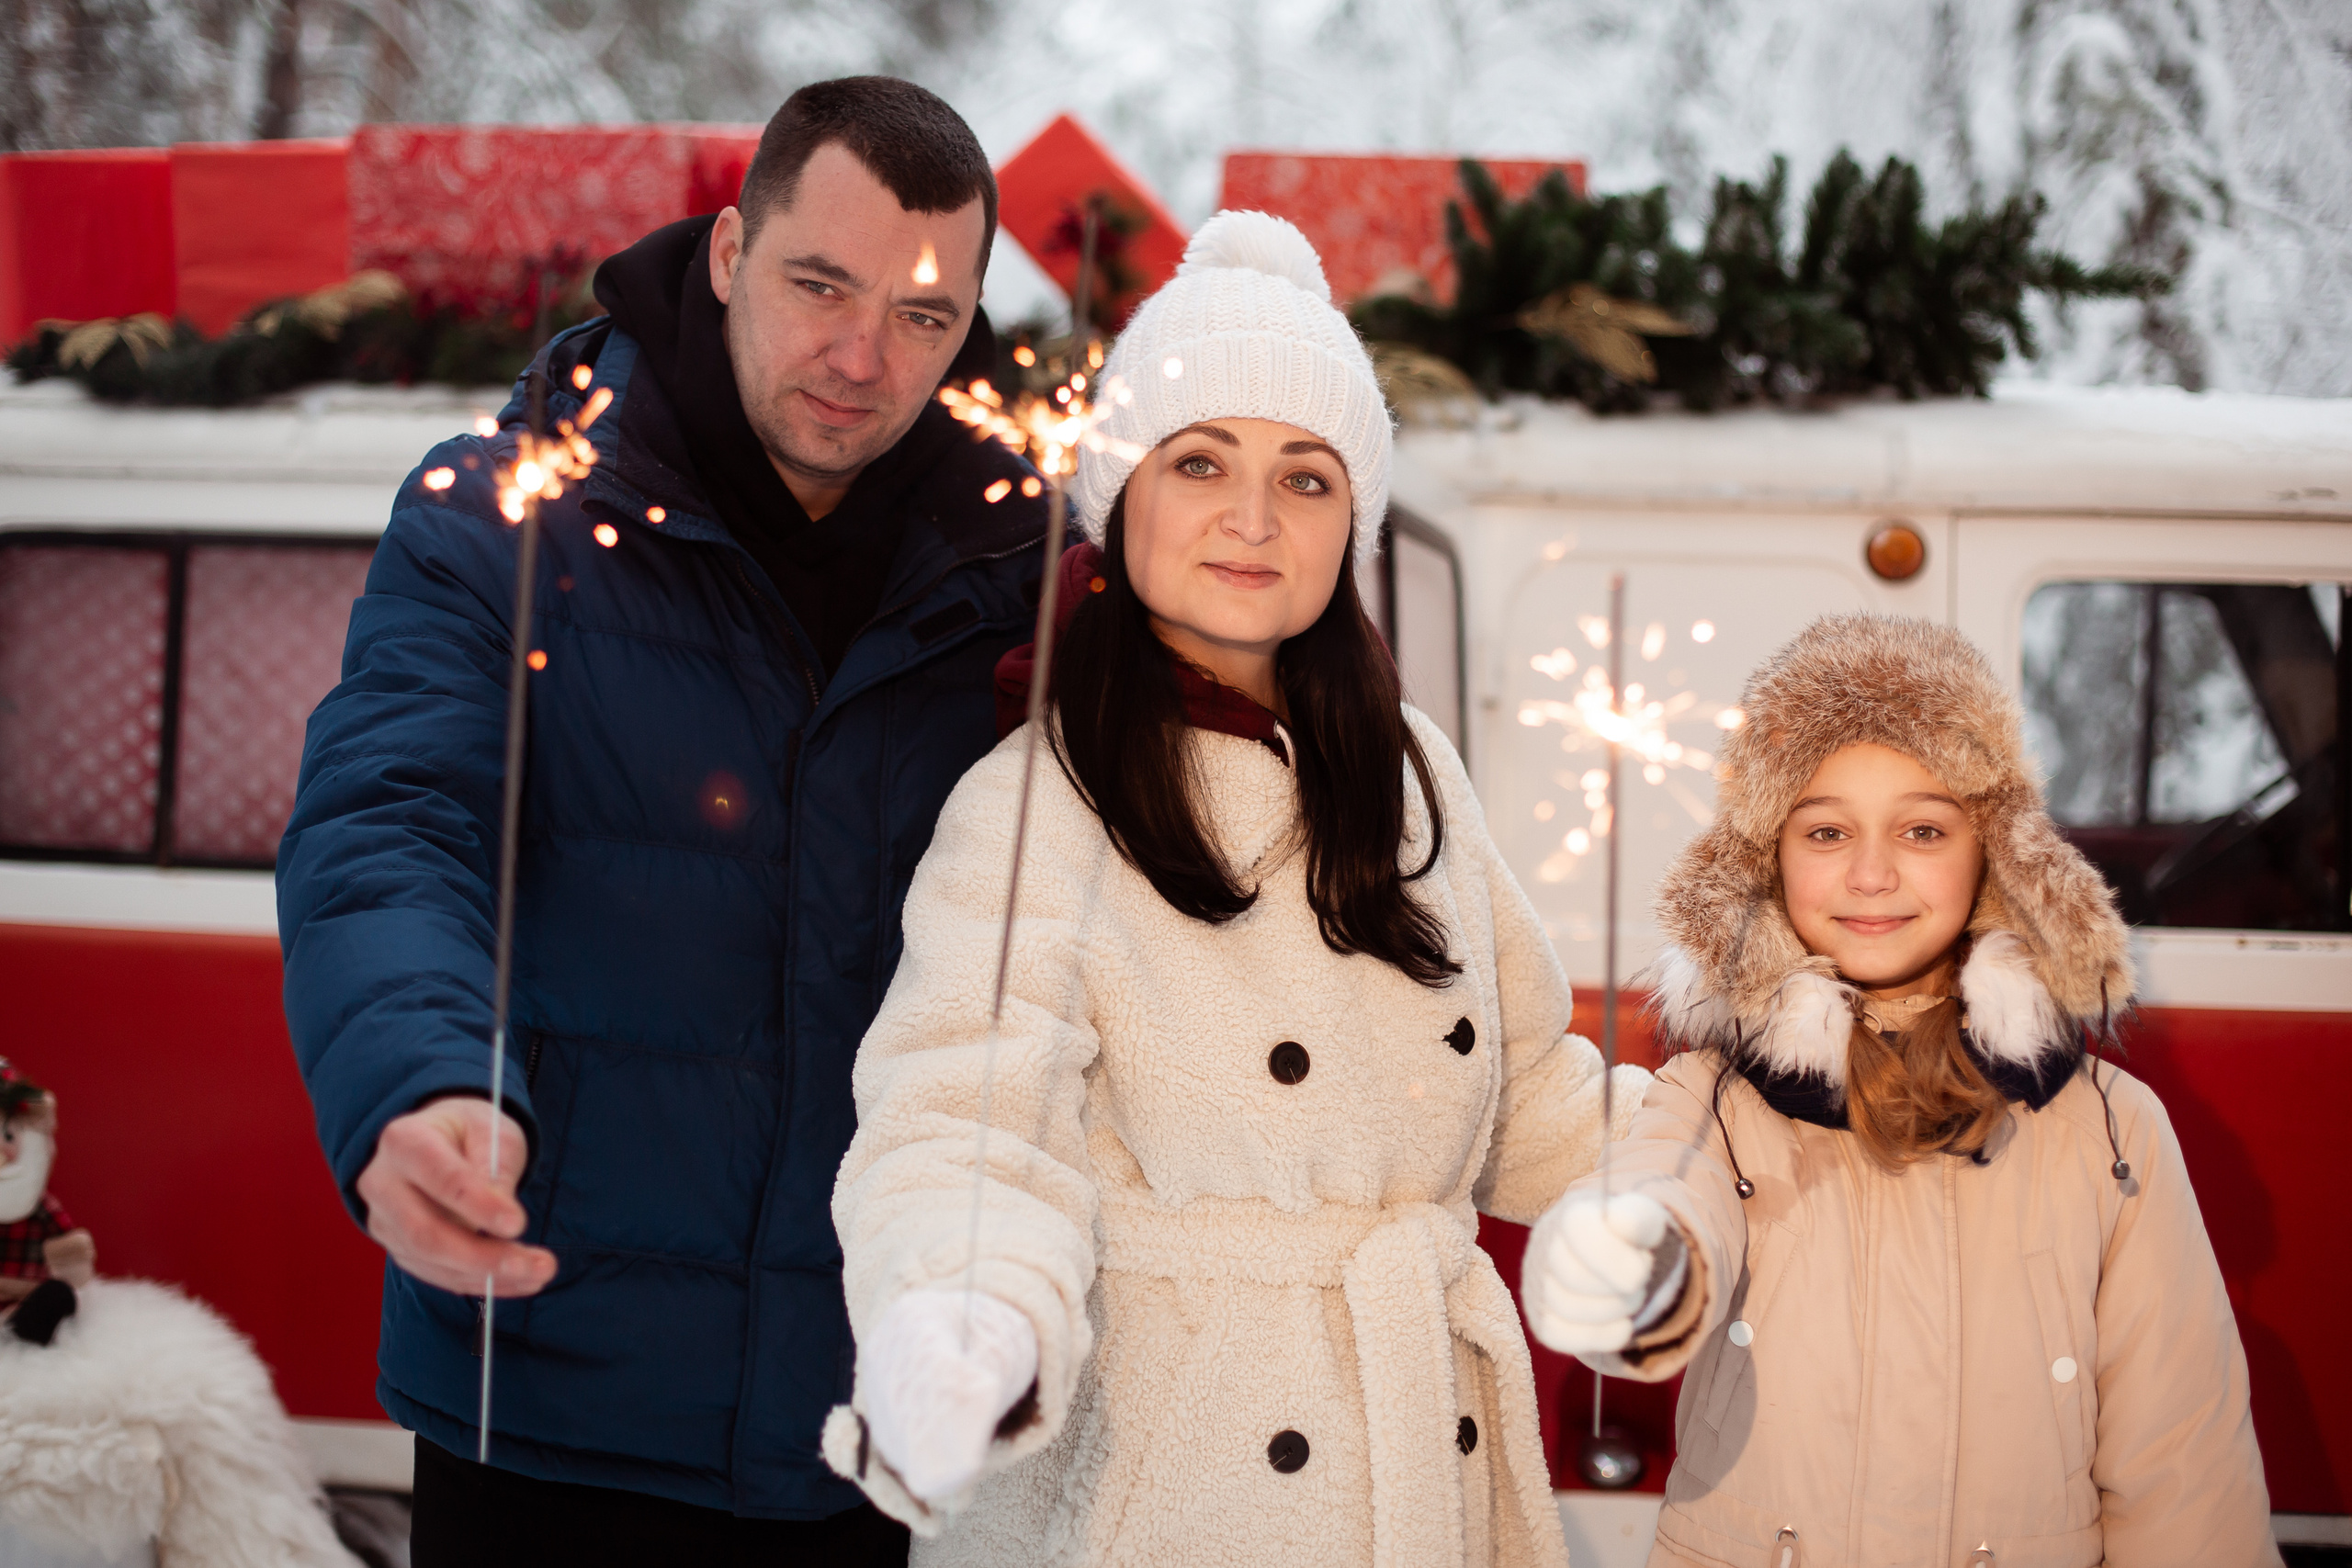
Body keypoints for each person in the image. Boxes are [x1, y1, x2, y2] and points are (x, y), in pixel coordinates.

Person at [278, 77, 1046, 1565]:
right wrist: (420, 1077)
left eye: (922, 316)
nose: (860, 354)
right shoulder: (506, 517)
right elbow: (389, 818)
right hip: (552, 1389)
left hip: (872, 1425)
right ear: (725, 252)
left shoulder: (1023, 573)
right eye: (821, 282)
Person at [818, 210, 1646, 1567]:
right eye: (1201, 462)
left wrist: (1663, 1193)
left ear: (1353, 523)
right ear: (1121, 495)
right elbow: (961, 1127)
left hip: (1418, 1469)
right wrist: (960, 1320)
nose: (1254, 519)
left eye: (1308, 478)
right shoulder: (1041, 796)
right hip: (1158, 1484)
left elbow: (1523, 1084)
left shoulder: (1413, 770)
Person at [1520, 615, 2280, 1566]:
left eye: (1922, 829)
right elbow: (1664, 1206)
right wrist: (1622, 1266)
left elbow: (2181, 1454)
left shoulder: (2107, 1125)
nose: (1871, 874)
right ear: (1768, 859)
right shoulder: (1712, 1099)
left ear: (1994, 853)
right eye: (1827, 830)